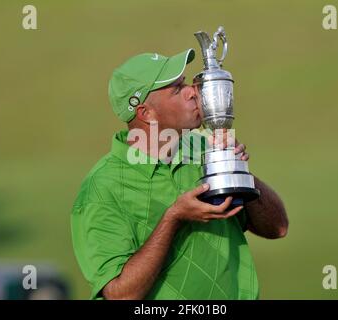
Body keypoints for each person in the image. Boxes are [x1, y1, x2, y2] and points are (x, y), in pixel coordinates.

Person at [71, 48, 289, 300]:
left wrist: (239, 172)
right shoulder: (102, 187)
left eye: (185, 83)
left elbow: (278, 228)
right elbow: (120, 295)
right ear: (146, 113)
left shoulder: (204, 148)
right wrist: (174, 218)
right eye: (176, 89)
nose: (192, 92)